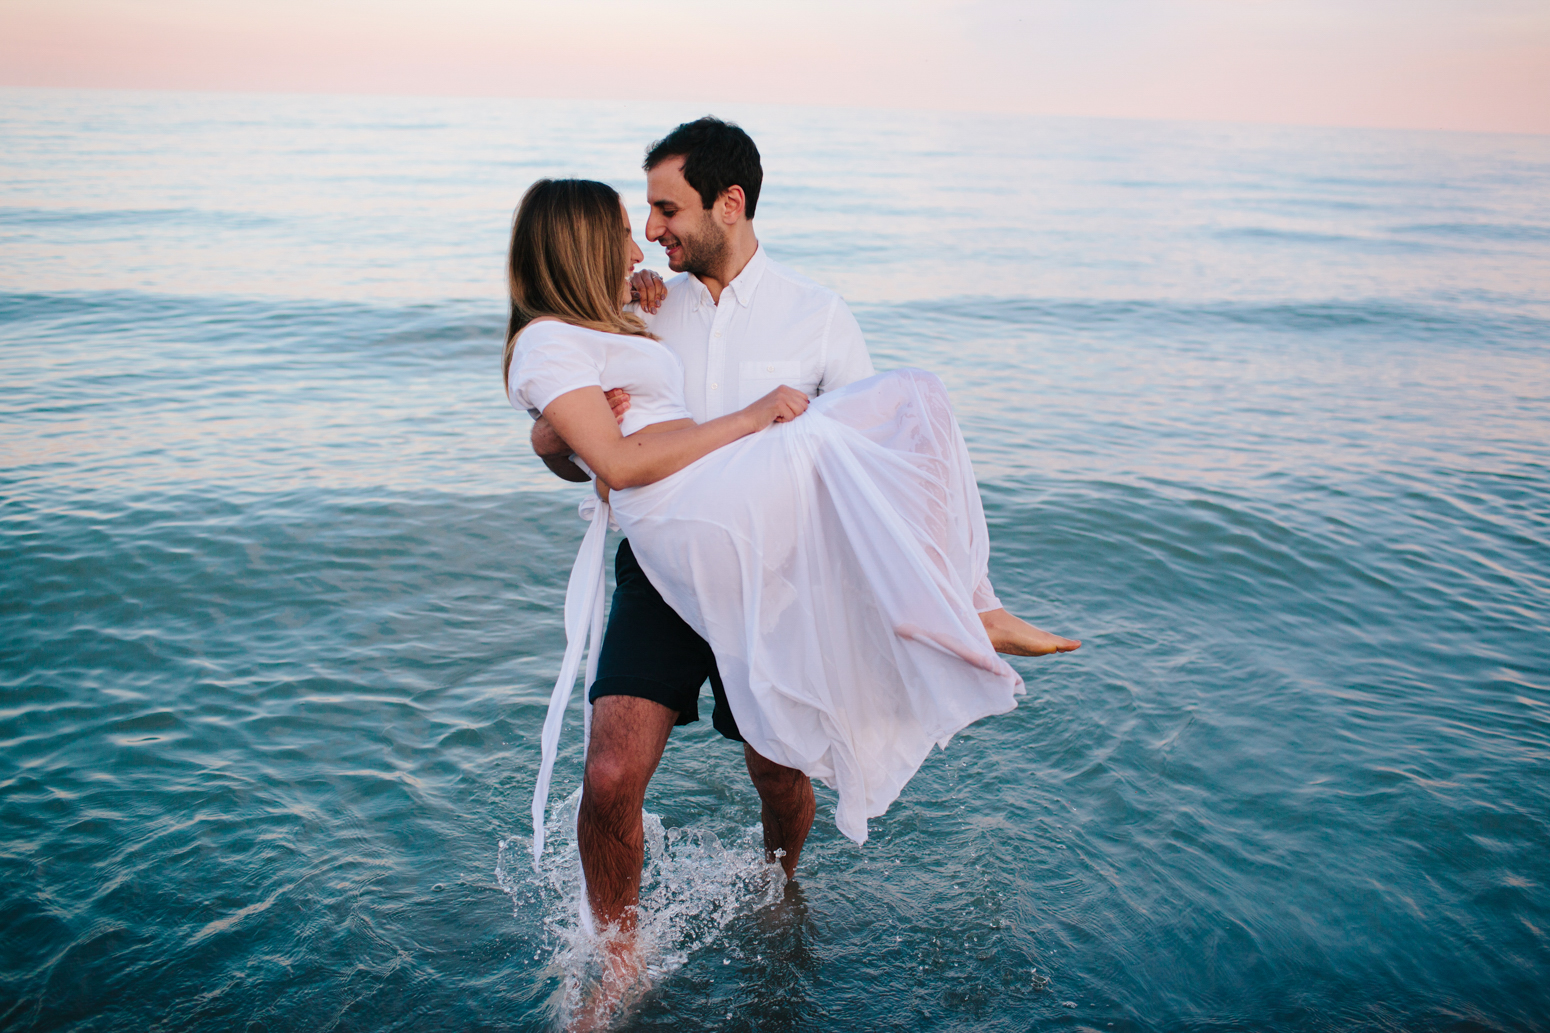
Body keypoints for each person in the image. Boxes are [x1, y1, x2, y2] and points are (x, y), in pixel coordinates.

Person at [522, 120, 1079, 947]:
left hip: (778, 579)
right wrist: (554, 444)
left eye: (667, 208)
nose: (650, 230)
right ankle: (615, 956)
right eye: (646, 211)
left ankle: (780, 883)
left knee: (779, 775)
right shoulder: (637, 310)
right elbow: (586, 451)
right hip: (663, 574)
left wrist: (912, 589)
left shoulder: (818, 317)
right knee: (608, 776)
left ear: (730, 203)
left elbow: (869, 466)